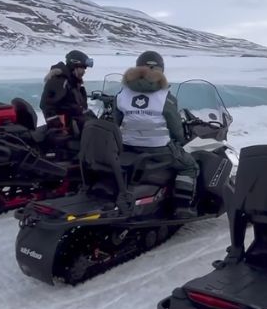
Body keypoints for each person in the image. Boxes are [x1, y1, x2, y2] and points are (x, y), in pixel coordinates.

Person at [112, 51, 200, 219]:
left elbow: (116, 122)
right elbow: (176, 129)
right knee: (190, 166)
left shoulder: (122, 94)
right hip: (159, 150)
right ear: (160, 69)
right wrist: (180, 141)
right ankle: (182, 207)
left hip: (128, 147)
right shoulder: (165, 96)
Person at [40, 49, 94, 134]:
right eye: (82, 68)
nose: (84, 72)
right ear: (74, 66)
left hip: (77, 128)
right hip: (65, 130)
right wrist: (59, 127)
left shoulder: (74, 82)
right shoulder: (60, 81)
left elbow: (80, 106)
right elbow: (46, 105)